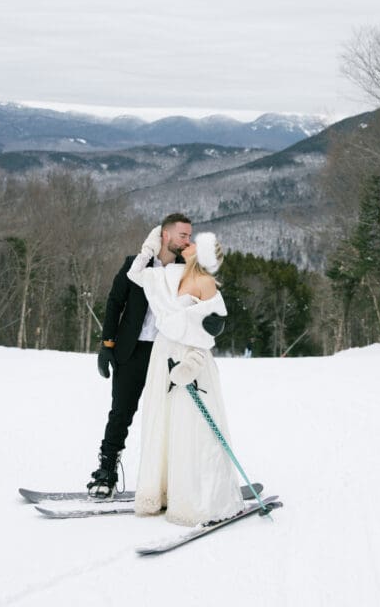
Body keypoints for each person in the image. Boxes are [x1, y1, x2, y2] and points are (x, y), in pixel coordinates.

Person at [127, 230, 244, 526]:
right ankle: (161, 491)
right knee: (163, 423)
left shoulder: (206, 284)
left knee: (189, 428)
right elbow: (137, 275)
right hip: (163, 354)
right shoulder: (172, 274)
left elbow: (209, 330)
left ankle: (194, 498)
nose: (188, 244)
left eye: (195, 244)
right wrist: (149, 247)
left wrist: (191, 364)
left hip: (189, 360)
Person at [87, 213, 193, 499]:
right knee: (121, 413)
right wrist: (106, 345)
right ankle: (106, 471)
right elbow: (115, 303)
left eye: (189, 236)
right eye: (183, 235)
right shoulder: (136, 265)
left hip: (167, 353)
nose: (188, 241)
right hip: (131, 350)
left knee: (170, 417)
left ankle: (171, 479)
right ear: (166, 236)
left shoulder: (187, 271)